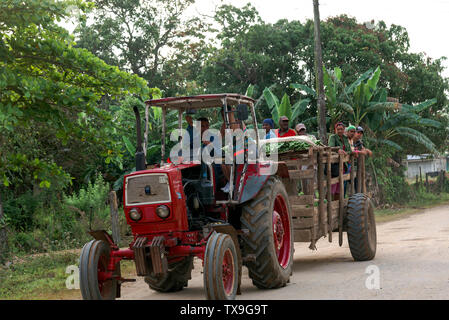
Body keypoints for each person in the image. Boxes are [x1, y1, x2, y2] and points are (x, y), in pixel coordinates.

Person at [328, 122, 354, 200]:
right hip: (335, 164)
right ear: (335, 130)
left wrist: (346, 153)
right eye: (338, 129)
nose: (340, 131)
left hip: (344, 164)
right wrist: (338, 150)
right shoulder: (333, 137)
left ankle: (339, 200)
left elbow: (349, 150)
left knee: (341, 183)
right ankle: (331, 200)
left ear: (344, 130)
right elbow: (331, 148)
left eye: (341, 129)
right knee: (334, 182)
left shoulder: (345, 138)